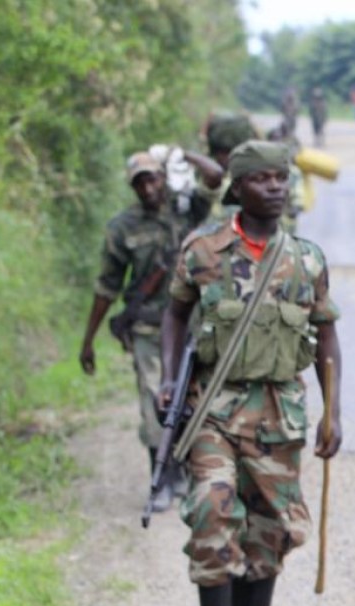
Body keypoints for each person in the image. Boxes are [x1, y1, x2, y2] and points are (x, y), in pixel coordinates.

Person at [157, 140, 342, 606]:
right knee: (213, 509)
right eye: (262, 179)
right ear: (237, 188)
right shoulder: (203, 249)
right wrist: (169, 380)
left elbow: (326, 338)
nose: (277, 187)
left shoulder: (306, 259)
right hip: (213, 408)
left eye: (281, 178)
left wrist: (333, 412)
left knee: (269, 528)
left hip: (278, 415)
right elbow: (174, 314)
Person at [79, 150, 222, 511]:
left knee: (198, 400)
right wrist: (88, 342)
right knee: (154, 402)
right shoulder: (122, 227)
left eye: (153, 178)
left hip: (194, 325)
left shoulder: (185, 210)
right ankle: (162, 479)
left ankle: (192, 473)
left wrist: (184, 154)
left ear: (163, 177)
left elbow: (216, 177)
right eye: (139, 182)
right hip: (148, 328)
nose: (147, 187)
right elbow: (107, 287)